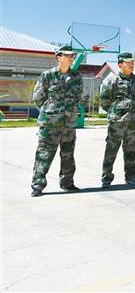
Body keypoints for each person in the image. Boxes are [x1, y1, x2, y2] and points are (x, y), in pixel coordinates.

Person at [30, 45, 83, 197]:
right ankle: (37, 186)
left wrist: (69, 112)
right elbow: (38, 98)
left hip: (69, 123)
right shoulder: (48, 75)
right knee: (44, 155)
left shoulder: (76, 77)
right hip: (50, 124)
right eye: (67, 55)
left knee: (68, 155)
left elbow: (77, 97)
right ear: (59, 57)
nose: (71, 58)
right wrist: (49, 112)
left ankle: (67, 183)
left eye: (72, 56)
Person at [99, 52, 135, 188]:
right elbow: (104, 101)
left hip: (133, 121)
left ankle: (130, 176)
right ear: (120, 65)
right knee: (111, 150)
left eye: (132, 63)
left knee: (131, 150)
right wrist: (116, 113)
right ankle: (106, 178)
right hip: (117, 123)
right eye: (128, 63)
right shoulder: (111, 80)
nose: (131, 65)